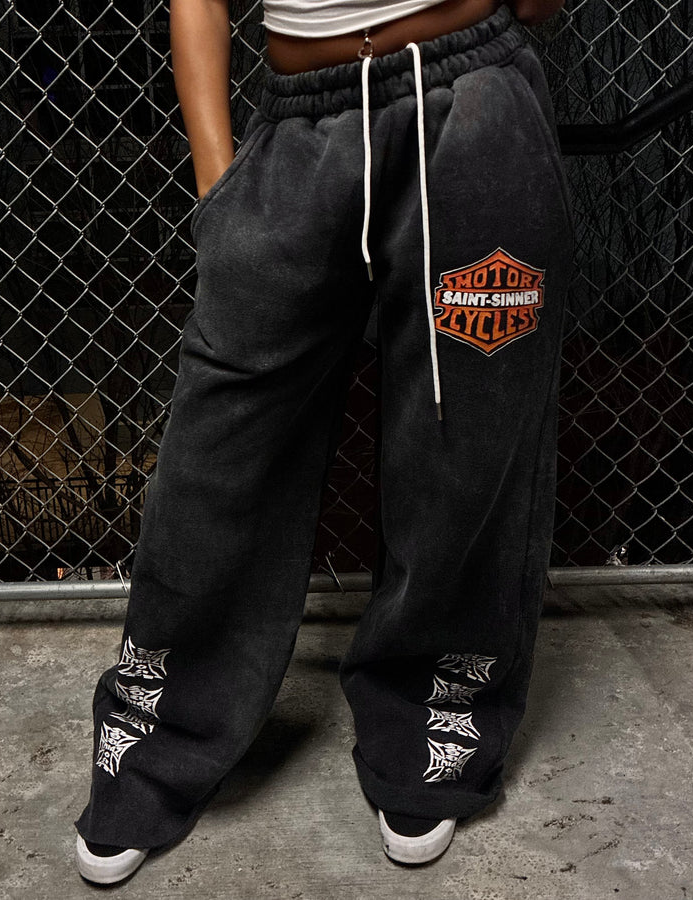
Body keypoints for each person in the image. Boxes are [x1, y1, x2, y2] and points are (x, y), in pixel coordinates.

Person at [75, 0, 571, 884]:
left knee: (467, 442)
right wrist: (218, 187)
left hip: (472, 105)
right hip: (302, 118)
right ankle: (160, 731)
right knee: (218, 454)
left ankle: (433, 721)